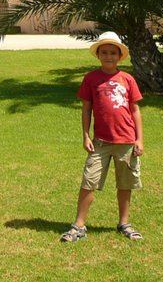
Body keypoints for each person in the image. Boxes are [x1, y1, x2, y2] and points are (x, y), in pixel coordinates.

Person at [61, 31, 145, 242]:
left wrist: (139, 139)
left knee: (125, 184)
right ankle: (79, 226)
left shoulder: (127, 79)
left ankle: (124, 223)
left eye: (113, 53)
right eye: (104, 52)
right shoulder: (91, 79)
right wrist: (85, 135)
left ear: (119, 56)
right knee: (89, 181)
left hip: (126, 142)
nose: (109, 56)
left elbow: (135, 110)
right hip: (100, 142)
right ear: (98, 55)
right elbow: (86, 108)